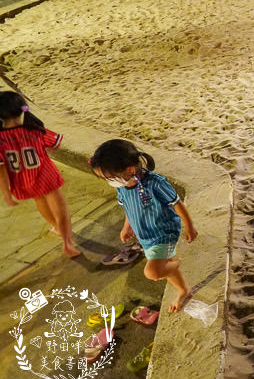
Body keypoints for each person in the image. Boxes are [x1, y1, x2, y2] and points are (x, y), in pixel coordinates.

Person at [89, 139, 198, 313]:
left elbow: (177, 203)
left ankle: (176, 263)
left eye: (109, 177)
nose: (109, 182)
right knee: (162, 267)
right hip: (145, 235)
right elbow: (128, 207)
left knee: (153, 272)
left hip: (164, 232)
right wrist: (127, 227)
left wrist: (189, 226)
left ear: (129, 169)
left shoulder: (155, 183)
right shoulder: (122, 186)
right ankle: (183, 290)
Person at [0, 92, 81, 257]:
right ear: (23, 110)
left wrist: (6, 193)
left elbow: (1, 170)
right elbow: (55, 143)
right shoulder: (35, 129)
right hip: (46, 174)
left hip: (23, 179)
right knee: (61, 209)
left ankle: (56, 228)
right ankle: (68, 243)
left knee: (39, 200)